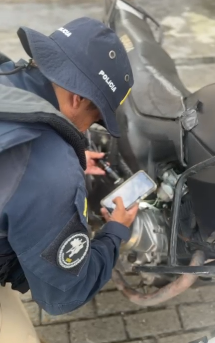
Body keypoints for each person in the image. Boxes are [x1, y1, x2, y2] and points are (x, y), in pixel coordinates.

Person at [0, 17, 138, 343]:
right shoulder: (51, 171)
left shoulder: (7, 77)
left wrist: (62, 153)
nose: (89, 130)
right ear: (78, 99)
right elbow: (65, 294)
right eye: (95, 118)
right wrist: (115, 232)